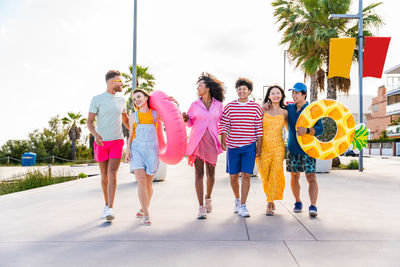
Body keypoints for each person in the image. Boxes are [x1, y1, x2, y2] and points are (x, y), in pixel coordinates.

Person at [87, 70, 129, 221]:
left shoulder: (122, 100)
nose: (121, 83)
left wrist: (138, 130)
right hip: (101, 142)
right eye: (119, 81)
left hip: (117, 141)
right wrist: (95, 135)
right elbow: (89, 122)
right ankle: (106, 205)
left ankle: (111, 207)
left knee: (112, 173)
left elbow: (125, 120)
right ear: (112, 83)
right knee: (104, 175)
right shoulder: (97, 99)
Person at [182, 72, 225, 219]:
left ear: (207, 87)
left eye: (200, 85)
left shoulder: (218, 105)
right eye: (197, 86)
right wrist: (186, 118)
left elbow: (224, 123)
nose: (198, 88)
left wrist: (224, 139)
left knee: (211, 174)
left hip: (212, 141)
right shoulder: (194, 105)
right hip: (197, 141)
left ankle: (208, 197)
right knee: (199, 174)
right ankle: (200, 207)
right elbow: (190, 123)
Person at [219, 78, 263, 218]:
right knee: (233, 177)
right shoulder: (230, 106)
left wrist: (259, 145)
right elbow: (224, 124)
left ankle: (243, 206)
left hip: (249, 146)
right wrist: (223, 139)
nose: (241, 91)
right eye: (239, 88)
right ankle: (237, 200)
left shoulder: (255, 107)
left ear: (249, 91)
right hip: (233, 146)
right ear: (237, 91)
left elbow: (259, 128)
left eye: (244, 88)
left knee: (246, 176)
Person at [286, 82, 323, 217]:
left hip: (308, 150)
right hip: (293, 149)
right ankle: (298, 202)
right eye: (293, 93)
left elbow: (320, 129)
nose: (294, 95)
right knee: (294, 176)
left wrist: (307, 130)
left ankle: (313, 206)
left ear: (304, 94)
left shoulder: (312, 110)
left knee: (311, 176)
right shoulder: (289, 108)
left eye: (296, 93)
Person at [127, 89, 160, 226]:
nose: (137, 100)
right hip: (137, 150)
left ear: (146, 97)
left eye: (139, 97)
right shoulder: (133, 116)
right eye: (134, 99)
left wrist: (173, 103)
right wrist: (128, 148)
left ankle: (143, 207)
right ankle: (147, 214)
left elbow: (172, 120)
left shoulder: (155, 114)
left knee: (148, 184)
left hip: (152, 151)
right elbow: (131, 133)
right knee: (140, 180)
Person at [256, 85, 288, 216]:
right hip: (263, 147)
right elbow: (255, 126)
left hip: (278, 147)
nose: (275, 95)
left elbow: (291, 129)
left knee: (275, 174)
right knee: (265, 175)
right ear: (268, 96)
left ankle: (269, 202)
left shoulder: (285, 112)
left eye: (278, 93)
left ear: (281, 96)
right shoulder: (262, 109)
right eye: (272, 93)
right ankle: (271, 196)